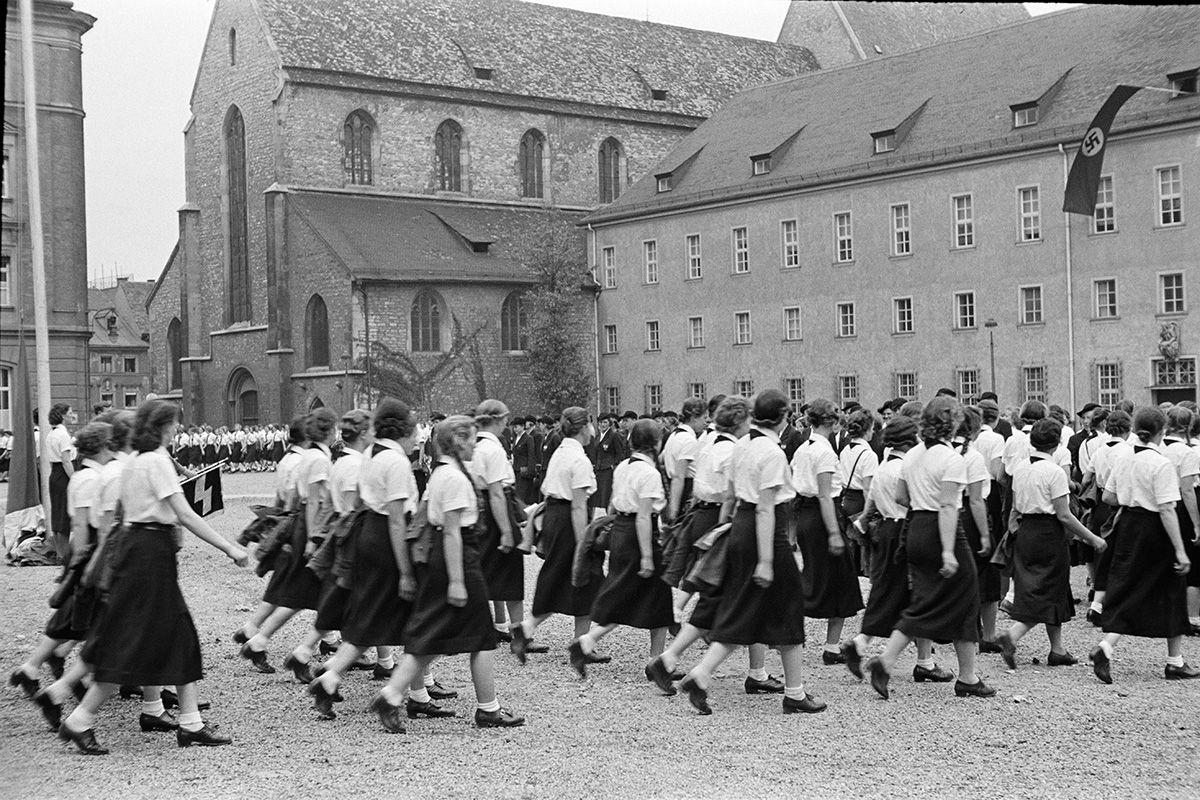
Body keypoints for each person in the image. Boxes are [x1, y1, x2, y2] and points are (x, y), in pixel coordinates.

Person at [58, 400, 249, 755]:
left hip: (137, 549)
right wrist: (230, 548)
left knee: (170, 632)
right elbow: (186, 515)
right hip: (150, 552)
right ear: (163, 426)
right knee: (138, 639)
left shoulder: (132, 461)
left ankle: (189, 722)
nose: (177, 430)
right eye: (175, 424)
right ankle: (81, 718)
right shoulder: (157, 460)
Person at [675, 389, 825, 716]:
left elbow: (731, 494)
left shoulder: (741, 444)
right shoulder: (771, 451)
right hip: (764, 533)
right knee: (788, 609)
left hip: (740, 526)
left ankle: (701, 674)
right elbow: (766, 509)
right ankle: (795, 692)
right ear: (784, 416)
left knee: (745, 610)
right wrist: (768, 561)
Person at [371, 416, 525, 732]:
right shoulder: (454, 478)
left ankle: (391, 693)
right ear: (457, 441)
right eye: (469, 440)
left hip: (440, 557)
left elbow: (425, 518)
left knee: (432, 636)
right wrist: (457, 581)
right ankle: (488, 709)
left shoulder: (439, 475)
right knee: (481, 638)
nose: (474, 445)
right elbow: (453, 532)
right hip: (459, 559)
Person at [309, 399, 449, 720]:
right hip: (388, 539)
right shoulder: (397, 463)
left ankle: (332, 679)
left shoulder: (371, 454)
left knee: (373, 618)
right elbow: (398, 520)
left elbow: (360, 500)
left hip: (369, 534)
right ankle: (404, 694)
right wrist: (405, 572)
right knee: (417, 620)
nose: (417, 438)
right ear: (402, 430)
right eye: (414, 430)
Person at [647, 395, 783, 696]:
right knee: (747, 600)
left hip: (711, 517)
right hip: (730, 519)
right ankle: (753, 672)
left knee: (715, 597)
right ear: (740, 421)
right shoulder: (735, 448)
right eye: (747, 418)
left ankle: (671, 654)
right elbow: (736, 495)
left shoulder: (707, 443)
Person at [863, 397, 996, 700]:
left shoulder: (911, 455)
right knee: (966, 597)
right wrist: (948, 551)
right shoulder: (952, 459)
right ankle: (967, 677)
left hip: (915, 528)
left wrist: (922, 501)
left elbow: (900, 497)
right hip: (942, 530)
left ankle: (886, 661)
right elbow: (949, 505)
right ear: (952, 423)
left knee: (923, 600)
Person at [13, 421, 112, 725]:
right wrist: (84, 564)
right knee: (80, 619)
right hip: (88, 553)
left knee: (73, 620)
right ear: (103, 446)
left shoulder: (87, 476)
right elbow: (82, 524)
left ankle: (36, 669)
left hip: (86, 554)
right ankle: (58, 677)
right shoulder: (89, 479)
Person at [1090, 406, 1198, 683]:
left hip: (1127, 525)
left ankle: (1108, 645)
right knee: (1172, 589)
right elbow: (1166, 509)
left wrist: (1132, 494)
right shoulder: (1160, 463)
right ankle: (1174, 661)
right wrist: (1180, 549)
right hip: (1154, 530)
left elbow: (1109, 497)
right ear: (1161, 432)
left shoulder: (1125, 459)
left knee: (1130, 587)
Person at [844, 416, 951, 683]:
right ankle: (923, 662)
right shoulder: (905, 469)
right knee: (919, 594)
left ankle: (862, 644)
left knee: (892, 594)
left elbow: (870, 504)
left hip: (886, 530)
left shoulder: (883, 466)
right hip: (908, 530)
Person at [996, 419, 1107, 669]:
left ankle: (1057, 649)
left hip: (1025, 531)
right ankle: (1011, 636)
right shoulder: (1054, 472)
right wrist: (1092, 538)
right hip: (1048, 533)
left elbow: (1014, 506)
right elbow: (1064, 514)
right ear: (1057, 444)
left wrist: (1013, 528)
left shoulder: (1021, 468)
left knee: (1048, 589)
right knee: (1049, 589)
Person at [570, 419, 674, 676]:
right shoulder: (650, 474)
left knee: (625, 594)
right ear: (656, 443)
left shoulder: (623, 467)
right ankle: (655, 661)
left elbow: (614, 506)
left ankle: (588, 642)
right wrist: (648, 556)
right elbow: (643, 516)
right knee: (657, 596)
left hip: (620, 532)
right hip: (640, 535)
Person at [241, 410, 336, 673]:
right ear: (329, 431)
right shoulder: (318, 460)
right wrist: (314, 537)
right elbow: (316, 499)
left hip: (304, 522)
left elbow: (293, 497)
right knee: (321, 592)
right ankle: (307, 652)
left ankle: (261, 639)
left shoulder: (303, 457)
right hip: (313, 525)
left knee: (300, 592)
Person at [512, 408, 602, 662]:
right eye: (591, 425)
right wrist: (583, 542)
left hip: (554, 517)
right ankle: (575, 643)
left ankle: (575, 642)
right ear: (584, 427)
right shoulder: (579, 459)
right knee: (583, 574)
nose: (593, 430)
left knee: (565, 577)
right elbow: (577, 506)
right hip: (569, 522)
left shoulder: (561, 452)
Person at [789, 399, 863, 665]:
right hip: (823, 515)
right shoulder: (825, 453)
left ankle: (822, 642)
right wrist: (834, 532)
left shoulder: (802, 449)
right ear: (832, 421)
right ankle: (830, 645)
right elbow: (824, 495)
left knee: (814, 576)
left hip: (806, 515)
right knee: (838, 579)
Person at [471, 400, 542, 653]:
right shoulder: (493, 449)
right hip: (496, 512)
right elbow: (498, 493)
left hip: (480, 512)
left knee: (482, 572)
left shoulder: (474, 445)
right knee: (511, 575)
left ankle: (497, 628)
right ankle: (517, 634)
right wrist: (505, 531)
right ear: (499, 420)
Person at [1083, 409, 1133, 627]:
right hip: (1119, 502)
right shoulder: (1128, 451)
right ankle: (1112, 603)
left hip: (1101, 503)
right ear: (1128, 428)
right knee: (1120, 554)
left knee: (1101, 553)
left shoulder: (1100, 450)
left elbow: (1086, 477)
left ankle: (1097, 601)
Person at [45, 403, 77, 560]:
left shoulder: (51, 434)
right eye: (70, 412)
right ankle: (64, 555)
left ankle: (59, 552)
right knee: (64, 514)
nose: (72, 415)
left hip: (54, 474)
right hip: (64, 474)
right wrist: (75, 479)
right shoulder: (63, 435)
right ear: (63, 415)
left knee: (57, 514)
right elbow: (66, 460)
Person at [588, 413, 630, 516]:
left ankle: (609, 516)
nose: (603, 425)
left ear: (609, 424)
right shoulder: (598, 437)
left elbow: (619, 453)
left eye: (605, 422)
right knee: (598, 497)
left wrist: (614, 465)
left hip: (608, 470)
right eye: (601, 422)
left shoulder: (614, 435)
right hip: (599, 469)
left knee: (607, 495)